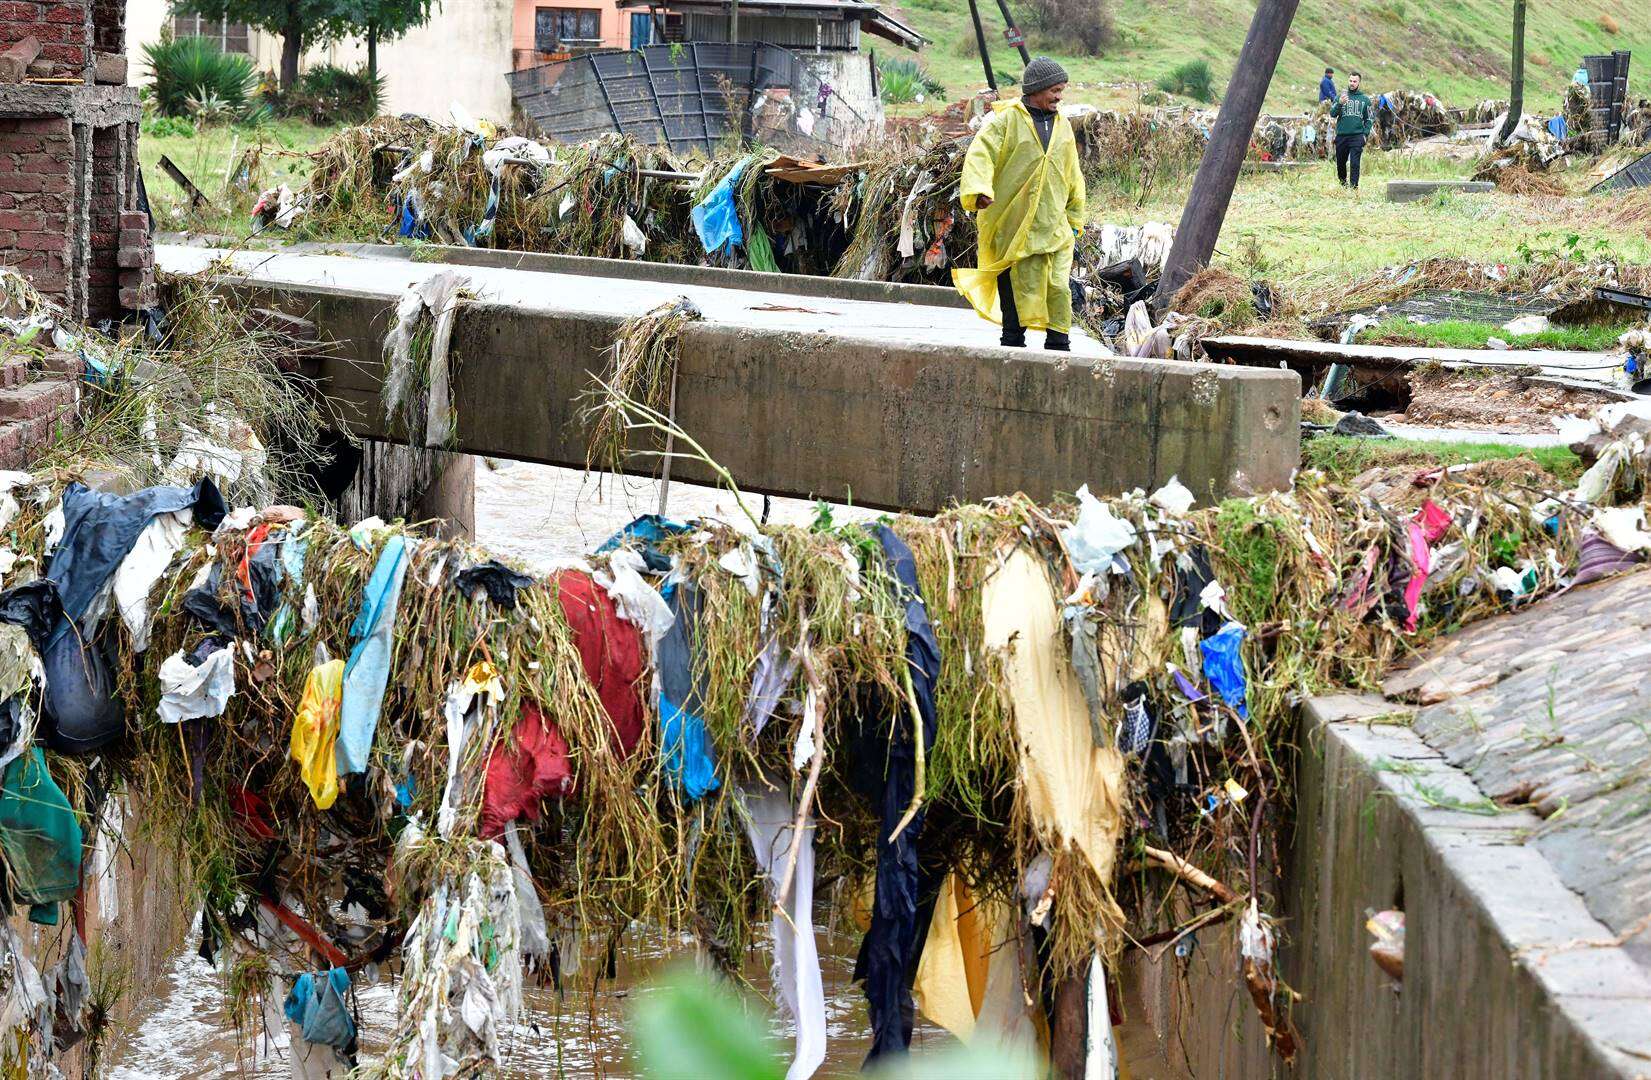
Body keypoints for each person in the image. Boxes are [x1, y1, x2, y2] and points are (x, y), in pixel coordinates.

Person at [955, 56, 1084, 351]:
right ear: (1037, 90)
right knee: (1014, 285)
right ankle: (1012, 343)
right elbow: (981, 154)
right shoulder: (1006, 121)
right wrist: (979, 190)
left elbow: (1073, 173)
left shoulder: (1062, 125)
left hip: (1054, 225)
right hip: (1012, 222)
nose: (1059, 97)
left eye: (1062, 90)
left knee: (1058, 286)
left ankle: (1058, 344)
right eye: (1055, 90)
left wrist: (1076, 218)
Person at [1330, 71, 1374, 190]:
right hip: (1342, 135)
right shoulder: (1340, 97)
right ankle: (1343, 185)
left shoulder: (1365, 99)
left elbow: (1369, 118)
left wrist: (1365, 134)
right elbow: (1332, 114)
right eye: (1350, 81)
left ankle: (1354, 187)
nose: (1352, 83)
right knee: (1340, 163)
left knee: (1355, 163)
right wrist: (1339, 104)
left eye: (1355, 81)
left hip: (1357, 136)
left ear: (1359, 82)